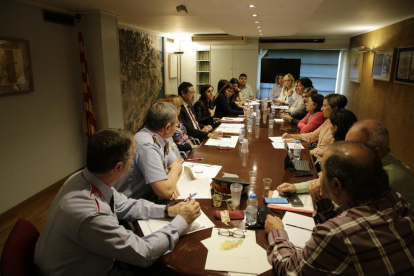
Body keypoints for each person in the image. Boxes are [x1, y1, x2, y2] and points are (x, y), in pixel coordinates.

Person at [35, 129, 201, 276]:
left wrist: (166, 210)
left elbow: (124, 204)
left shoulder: (83, 178)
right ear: (119, 167)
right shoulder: (92, 213)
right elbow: (143, 254)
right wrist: (181, 222)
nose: (134, 159)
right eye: (132, 156)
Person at [266, 141, 414, 275]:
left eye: (322, 172)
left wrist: (276, 232)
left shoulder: (336, 234)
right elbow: (347, 223)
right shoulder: (397, 199)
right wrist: (323, 200)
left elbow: (289, 270)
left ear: (336, 185)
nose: (319, 178)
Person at [115, 102, 182, 200]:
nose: (177, 125)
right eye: (176, 123)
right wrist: (171, 178)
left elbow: (177, 163)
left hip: (151, 196)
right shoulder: (146, 145)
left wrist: (170, 182)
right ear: (167, 128)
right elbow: (165, 192)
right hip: (132, 204)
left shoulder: (161, 136)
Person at [346, 120, 414, 206]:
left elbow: (354, 209)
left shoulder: (387, 177)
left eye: (353, 148)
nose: (346, 153)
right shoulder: (370, 162)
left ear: (377, 152)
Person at [282, 93, 348, 160]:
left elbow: (331, 151)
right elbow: (313, 135)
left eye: (325, 106)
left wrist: (308, 152)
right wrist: (291, 136)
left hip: (322, 161)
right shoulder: (328, 120)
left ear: (335, 107)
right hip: (315, 155)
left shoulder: (340, 124)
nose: (322, 109)